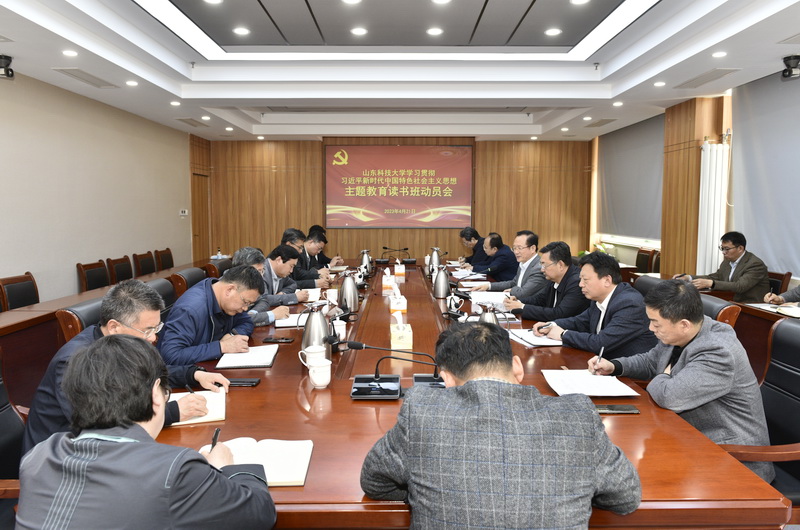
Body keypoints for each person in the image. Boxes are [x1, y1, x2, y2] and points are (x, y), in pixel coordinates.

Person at [361, 322, 641, 528]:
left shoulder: (423, 410)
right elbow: (626, 497)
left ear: (446, 380)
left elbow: (374, 482)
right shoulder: (577, 414)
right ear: (517, 366)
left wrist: (426, 490)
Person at [16, 335, 276, 529]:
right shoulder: (176, 470)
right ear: (155, 395)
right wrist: (224, 467)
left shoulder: (38, 456)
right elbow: (259, 514)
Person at [589, 279, 775, 483]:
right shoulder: (683, 331)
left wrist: (662, 377)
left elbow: (670, 397)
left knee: (638, 478)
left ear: (684, 324)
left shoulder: (718, 351)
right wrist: (615, 366)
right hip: (690, 438)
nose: (650, 328)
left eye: (656, 323)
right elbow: (652, 361)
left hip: (734, 461)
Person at [22, 280, 229, 455]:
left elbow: (150, 373)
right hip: (60, 460)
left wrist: (193, 374)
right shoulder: (74, 362)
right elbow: (98, 428)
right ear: (114, 327)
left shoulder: (120, 343)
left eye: (156, 328)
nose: (153, 337)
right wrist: (171, 412)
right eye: (147, 330)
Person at [534, 251, 657, 359]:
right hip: (600, 363)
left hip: (626, 372)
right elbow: (580, 321)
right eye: (580, 279)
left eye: (585, 280)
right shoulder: (598, 298)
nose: (580, 284)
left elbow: (601, 343)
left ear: (607, 280)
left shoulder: (630, 304)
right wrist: (551, 325)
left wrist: (563, 334)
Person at [158, 265, 263, 364]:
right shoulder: (189, 310)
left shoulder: (228, 301)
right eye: (245, 302)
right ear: (229, 290)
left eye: (249, 304)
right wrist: (222, 347)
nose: (245, 308)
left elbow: (247, 322)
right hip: (186, 373)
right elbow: (171, 356)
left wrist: (231, 336)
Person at [504, 241, 591, 321]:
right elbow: (540, 299)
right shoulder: (553, 277)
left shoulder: (576, 283)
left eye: (544, 265)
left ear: (560, 265)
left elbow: (560, 314)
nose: (542, 269)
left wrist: (522, 307)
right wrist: (518, 302)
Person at [674, 231, 769, 303]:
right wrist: (688, 278)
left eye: (727, 249)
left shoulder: (755, 264)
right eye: (722, 248)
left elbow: (740, 286)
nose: (723, 252)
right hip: (730, 301)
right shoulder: (727, 261)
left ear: (740, 248)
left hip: (750, 305)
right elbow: (715, 277)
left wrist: (711, 284)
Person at [233, 246, 303, 325]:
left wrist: (253, 312)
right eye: (258, 271)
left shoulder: (250, 283)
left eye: (262, 271)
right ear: (242, 270)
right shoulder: (231, 288)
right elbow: (240, 321)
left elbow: (263, 300)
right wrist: (272, 315)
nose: (261, 276)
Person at [471, 230, 548, 299]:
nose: (516, 252)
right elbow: (513, 283)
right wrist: (488, 286)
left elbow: (523, 293)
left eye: (519, 248)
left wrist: (512, 290)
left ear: (532, 248)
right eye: (514, 248)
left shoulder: (538, 268)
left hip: (528, 307)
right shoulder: (523, 263)